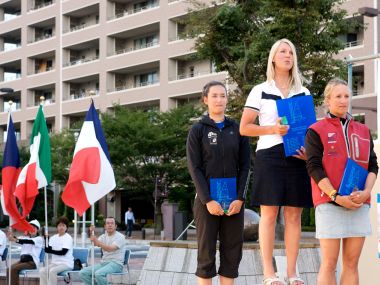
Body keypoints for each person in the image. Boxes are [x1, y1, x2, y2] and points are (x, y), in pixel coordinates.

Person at [240, 38, 313, 285]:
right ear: (273, 57)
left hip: (297, 157)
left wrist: (308, 151)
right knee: (269, 215)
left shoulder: (303, 92)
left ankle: (292, 273)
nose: (287, 55)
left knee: (294, 216)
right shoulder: (260, 89)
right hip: (269, 156)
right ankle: (269, 273)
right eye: (282, 51)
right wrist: (273, 129)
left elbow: (310, 129)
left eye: (291, 51)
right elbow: (245, 127)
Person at [305, 78, 378, 285]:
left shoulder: (363, 130)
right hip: (329, 204)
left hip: (358, 204)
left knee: (352, 264)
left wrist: (366, 192)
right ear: (328, 100)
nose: (343, 100)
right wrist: (335, 196)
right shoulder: (315, 130)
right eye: (338, 96)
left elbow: (373, 165)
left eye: (346, 96)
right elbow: (313, 168)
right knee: (329, 264)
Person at [187, 81, 251, 285]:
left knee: (232, 253)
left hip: (234, 203)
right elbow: (194, 167)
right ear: (205, 99)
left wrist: (240, 198)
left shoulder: (237, 129)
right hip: (207, 202)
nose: (219, 100)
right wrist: (208, 200)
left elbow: (246, 166)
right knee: (206, 254)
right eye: (214, 96)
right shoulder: (197, 130)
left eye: (223, 95)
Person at [79, 217, 126, 285]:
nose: (110, 225)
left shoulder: (120, 237)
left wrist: (97, 242)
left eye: (112, 223)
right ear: (105, 226)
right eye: (108, 223)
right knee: (83, 273)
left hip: (116, 263)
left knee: (98, 274)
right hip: (104, 263)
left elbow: (110, 249)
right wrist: (91, 232)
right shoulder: (103, 236)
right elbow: (95, 243)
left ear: (115, 226)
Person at [7, 219, 43, 285]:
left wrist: (15, 240)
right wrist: (11, 235)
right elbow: (18, 239)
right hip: (23, 261)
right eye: (30, 228)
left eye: (34, 228)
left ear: (37, 230)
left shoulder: (39, 239)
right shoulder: (25, 237)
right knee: (9, 269)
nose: (32, 229)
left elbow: (28, 241)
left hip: (32, 262)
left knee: (14, 269)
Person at [40, 216, 74, 285]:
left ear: (66, 227)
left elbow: (63, 252)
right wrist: (46, 239)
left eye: (63, 225)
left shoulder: (68, 238)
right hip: (55, 263)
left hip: (66, 264)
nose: (61, 227)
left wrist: (51, 251)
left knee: (52, 271)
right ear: (57, 227)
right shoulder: (54, 237)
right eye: (59, 225)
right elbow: (47, 250)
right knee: (42, 271)